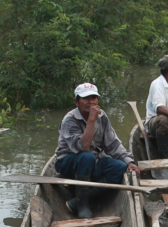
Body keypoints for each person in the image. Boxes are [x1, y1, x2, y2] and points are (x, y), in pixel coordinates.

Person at [56, 83, 140, 218]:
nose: (91, 102)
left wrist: (129, 161)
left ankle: (80, 199)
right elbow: (84, 147)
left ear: (98, 100)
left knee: (119, 166)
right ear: (76, 102)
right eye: (86, 98)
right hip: (69, 163)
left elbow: (113, 143)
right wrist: (91, 120)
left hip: (92, 161)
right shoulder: (69, 120)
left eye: (94, 98)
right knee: (86, 156)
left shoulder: (102, 117)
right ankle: (82, 204)